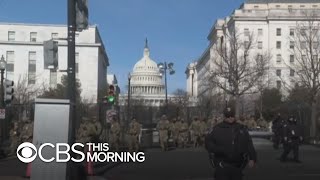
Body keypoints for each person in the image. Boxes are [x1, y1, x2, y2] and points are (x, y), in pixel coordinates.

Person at [205, 107, 257, 180]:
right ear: (224, 116)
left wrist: (252, 158)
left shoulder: (241, 128)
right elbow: (208, 143)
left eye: (232, 115)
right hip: (222, 165)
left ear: (234, 116)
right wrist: (219, 149)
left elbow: (248, 143)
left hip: (238, 165)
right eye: (228, 116)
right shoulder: (217, 129)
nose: (230, 118)